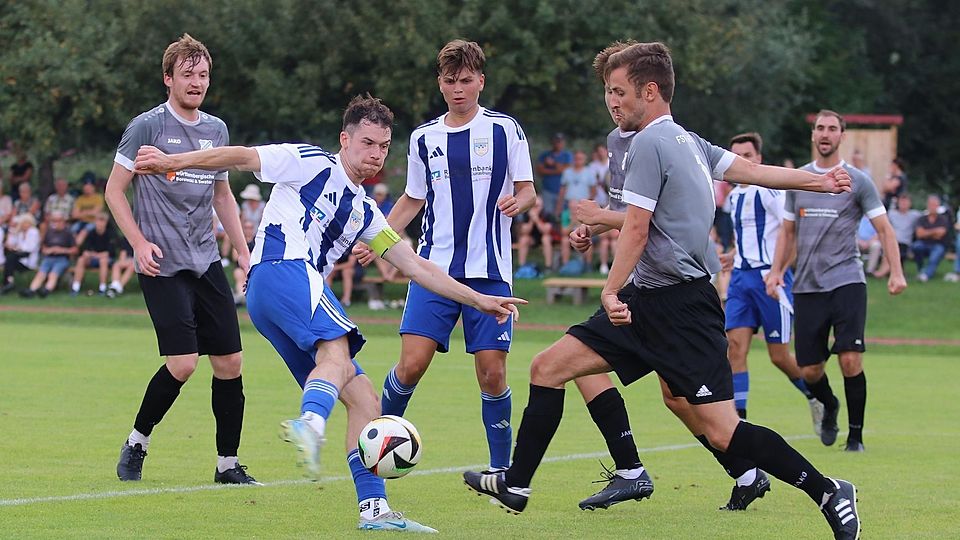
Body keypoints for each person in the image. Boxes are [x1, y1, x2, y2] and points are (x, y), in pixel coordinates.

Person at [464, 42, 863, 540]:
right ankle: (517, 485)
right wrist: (818, 182)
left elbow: (638, 227)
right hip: (644, 299)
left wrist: (610, 290)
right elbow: (750, 173)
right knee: (548, 367)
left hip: (682, 307)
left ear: (649, 92)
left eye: (619, 92)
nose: (611, 101)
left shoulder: (656, 142)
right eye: (607, 92)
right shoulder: (684, 141)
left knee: (723, 430)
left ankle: (828, 490)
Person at [134, 93, 524, 533]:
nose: (376, 154)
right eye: (368, 143)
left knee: (365, 398)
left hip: (275, 296)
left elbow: (416, 266)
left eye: (383, 146)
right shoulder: (309, 160)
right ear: (345, 139)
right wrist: (174, 159)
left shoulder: (366, 213)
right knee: (336, 350)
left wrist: (479, 299)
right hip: (284, 271)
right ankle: (310, 424)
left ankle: (374, 510)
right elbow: (238, 156)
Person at [354, 39, 536, 475]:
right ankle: (375, 445)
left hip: (490, 273)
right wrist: (376, 239)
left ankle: (500, 471)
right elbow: (412, 200)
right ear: (441, 83)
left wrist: (521, 202)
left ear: (481, 82)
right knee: (412, 365)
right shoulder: (423, 138)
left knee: (492, 374)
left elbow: (528, 189)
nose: (459, 89)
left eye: (467, 81)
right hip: (433, 270)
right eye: (451, 81)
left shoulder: (505, 130)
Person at [104, 33, 257, 485]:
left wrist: (244, 253)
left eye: (203, 74)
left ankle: (227, 466)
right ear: (168, 78)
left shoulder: (216, 130)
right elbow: (114, 190)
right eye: (187, 74)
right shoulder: (146, 127)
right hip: (162, 263)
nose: (196, 82)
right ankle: (137, 441)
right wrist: (137, 242)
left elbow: (223, 195)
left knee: (230, 363)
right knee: (184, 363)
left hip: (206, 260)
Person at [766, 110, 907, 455]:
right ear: (813, 134)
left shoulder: (858, 181)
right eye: (820, 128)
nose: (825, 134)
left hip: (847, 280)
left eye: (832, 129)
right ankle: (829, 405)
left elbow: (885, 229)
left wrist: (896, 270)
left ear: (842, 136)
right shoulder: (797, 179)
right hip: (807, 286)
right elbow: (787, 232)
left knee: (850, 359)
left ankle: (855, 437)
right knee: (810, 369)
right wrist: (776, 270)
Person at [720, 132, 823, 426]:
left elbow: (793, 235)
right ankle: (739, 423)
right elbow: (751, 236)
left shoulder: (769, 190)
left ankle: (815, 396)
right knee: (735, 349)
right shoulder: (734, 196)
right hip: (741, 279)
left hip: (770, 279)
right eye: (737, 156)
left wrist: (778, 272)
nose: (742, 161)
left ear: (759, 159)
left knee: (779, 356)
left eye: (748, 156)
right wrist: (733, 253)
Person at [19, 211, 76, 298]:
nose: (56, 223)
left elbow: (75, 250)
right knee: (41, 274)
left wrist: (62, 250)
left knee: (53, 274)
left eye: (58, 220)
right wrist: (47, 250)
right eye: (54, 221)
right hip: (49, 258)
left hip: (62, 259)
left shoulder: (68, 233)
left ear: (63, 221)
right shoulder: (49, 232)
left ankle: (46, 290)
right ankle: (31, 290)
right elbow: (43, 247)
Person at [557, 150, 597, 267]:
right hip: (569, 205)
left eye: (580, 158)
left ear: (584, 160)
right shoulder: (567, 172)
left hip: (584, 206)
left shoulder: (589, 172)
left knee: (586, 234)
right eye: (576, 158)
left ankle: (588, 264)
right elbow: (562, 190)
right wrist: (559, 207)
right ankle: (566, 265)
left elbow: (593, 190)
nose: (578, 161)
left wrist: (589, 205)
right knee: (566, 235)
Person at [70, 212, 116, 296]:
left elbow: (110, 253)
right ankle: (75, 288)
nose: (100, 223)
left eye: (102, 221)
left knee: (103, 261)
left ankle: (102, 288)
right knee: (81, 260)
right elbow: (86, 251)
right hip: (93, 258)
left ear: (106, 222)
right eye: (98, 220)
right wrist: (90, 254)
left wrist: (95, 255)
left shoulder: (111, 234)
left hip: (107, 260)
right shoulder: (91, 233)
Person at [535, 133, 572, 220]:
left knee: (563, 214)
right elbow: (540, 171)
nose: (558, 144)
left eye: (560, 142)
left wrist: (553, 164)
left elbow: (566, 170)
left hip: (563, 191)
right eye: (556, 142)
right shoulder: (545, 155)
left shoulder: (567, 155)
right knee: (548, 214)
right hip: (548, 190)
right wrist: (557, 170)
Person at [1, 213, 41, 294]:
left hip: (28, 261)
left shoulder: (34, 232)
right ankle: (9, 282)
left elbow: (30, 248)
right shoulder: (21, 233)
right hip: (19, 259)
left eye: (24, 222)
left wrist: (17, 248)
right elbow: (11, 244)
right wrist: (11, 232)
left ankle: (8, 283)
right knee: (9, 259)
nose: (22, 224)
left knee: (10, 258)